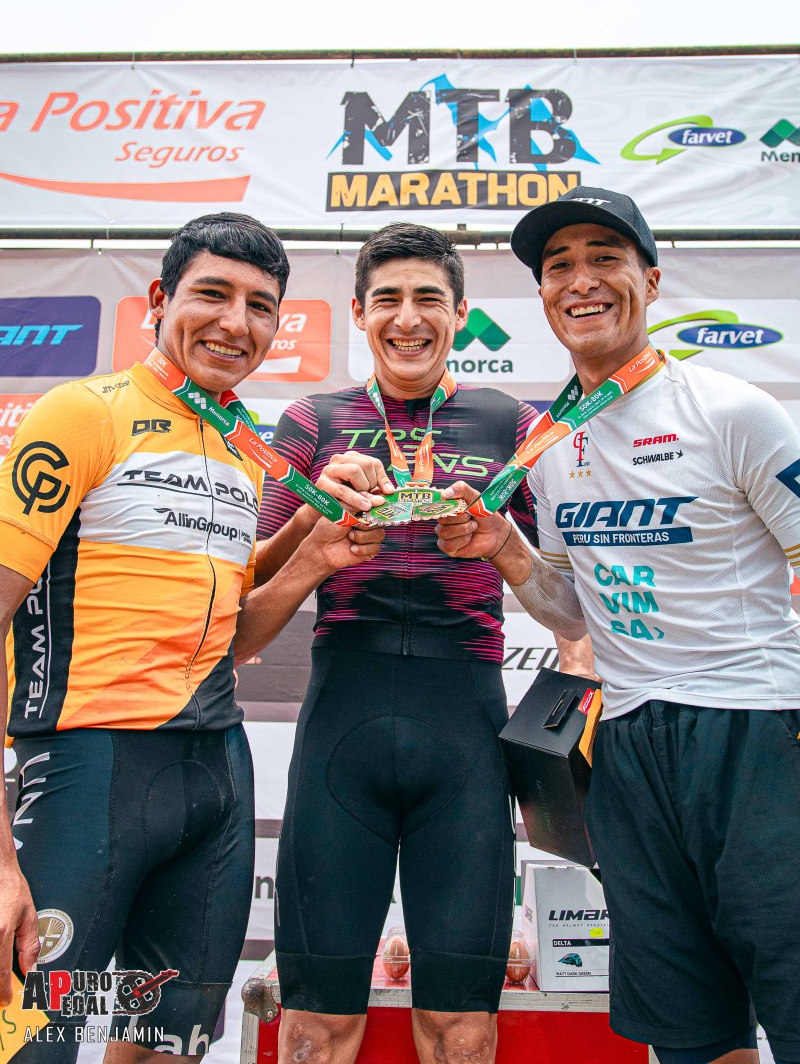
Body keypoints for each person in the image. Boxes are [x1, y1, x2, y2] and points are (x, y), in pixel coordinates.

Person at [0, 212, 382, 1064]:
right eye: (212, 294)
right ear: (159, 299)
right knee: (32, 1044)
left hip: (215, 773)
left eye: (260, 306)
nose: (235, 323)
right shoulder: (82, 413)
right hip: (86, 772)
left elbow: (230, 636)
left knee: (167, 1044)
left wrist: (313, 550)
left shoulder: (243, 446)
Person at [436, 187, 800, 1064]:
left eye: (606, 258)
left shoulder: (733, 409)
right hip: (630, 746)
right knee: (688, 1023)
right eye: (559, 265)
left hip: (754, 730)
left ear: (652, 279)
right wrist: (505, 547)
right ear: (543, 295)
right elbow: (574, 612)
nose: (581, 280)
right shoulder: (549, 445)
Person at [256, 222, 585, 1064]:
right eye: (389, 300)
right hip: (342, 723)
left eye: (429, 299)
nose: (408, 319)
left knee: (462, 1030)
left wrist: (502, 546)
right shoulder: (312, 420)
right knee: (313, 1028)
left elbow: (571, 602)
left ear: (461, 313)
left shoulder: (513, 423)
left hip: (464, 726)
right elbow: (248, 591)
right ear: (359, 313)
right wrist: (313, 516)